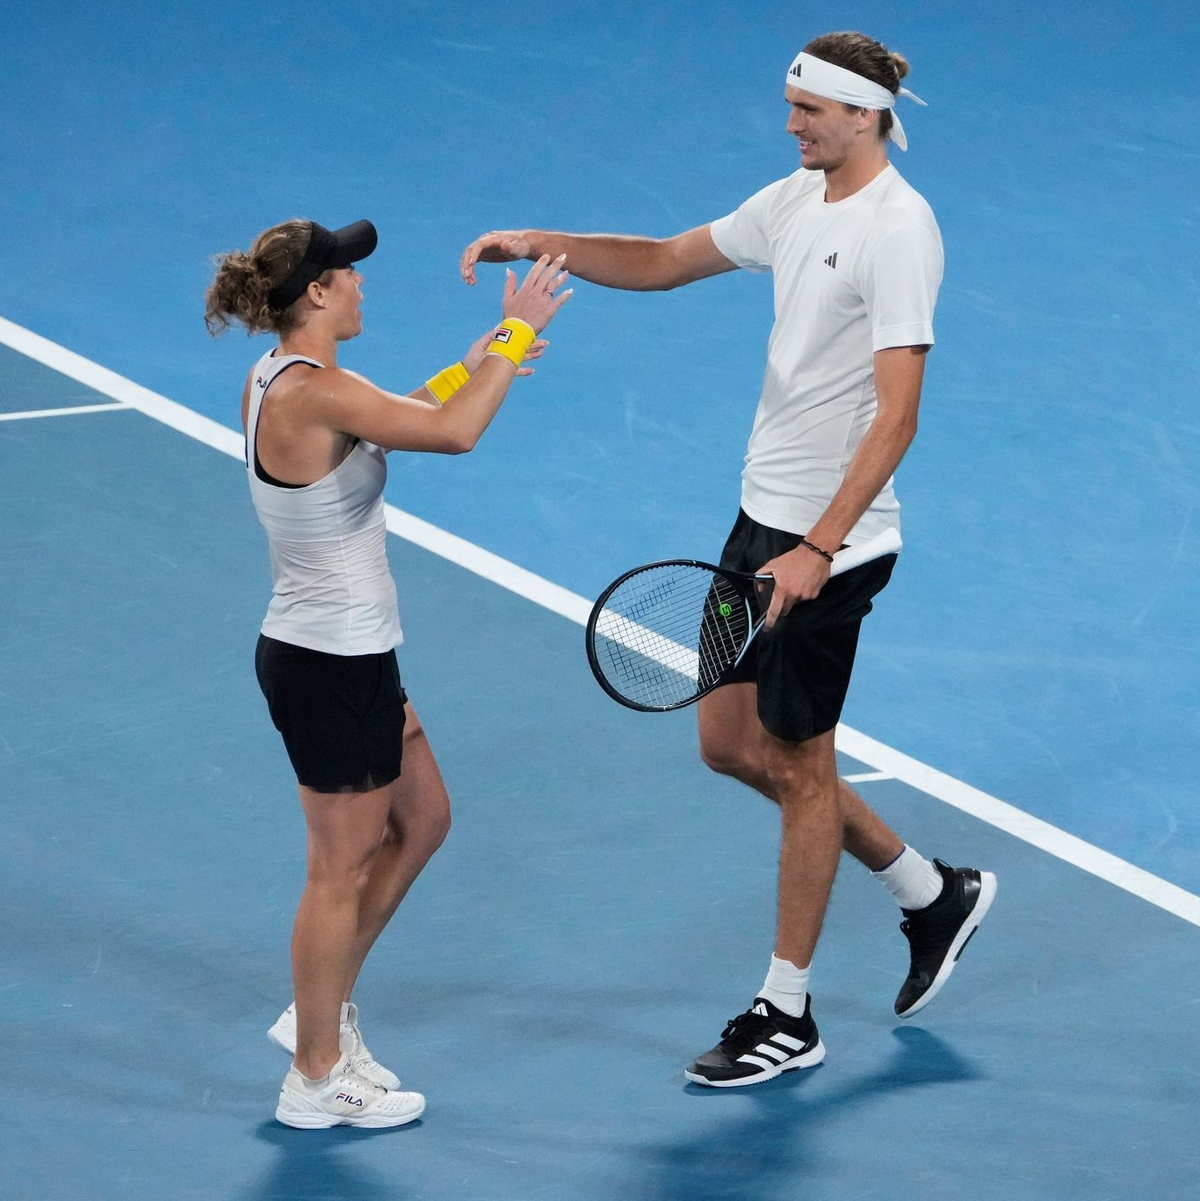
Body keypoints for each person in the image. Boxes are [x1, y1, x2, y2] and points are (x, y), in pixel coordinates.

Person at [461, 31, 995, 1088]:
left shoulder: (899, 230)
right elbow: (664, 259)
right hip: (759, 523)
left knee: (800, 764)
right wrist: (538, 240)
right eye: (790, 105)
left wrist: (819, 547)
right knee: (726, 744)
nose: (791, 123)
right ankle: (931, 892)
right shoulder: (799, 199)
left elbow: (898, 417)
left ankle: (787, 1010)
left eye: (808, 110)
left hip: (827, 548)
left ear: (863, 114)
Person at [205, 217, 570, 1125]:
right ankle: (315, 1076)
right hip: (328, 663)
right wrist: (516, 330)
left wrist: (474, 364)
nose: (363, 283)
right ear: (317, 294)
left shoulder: (290, 379)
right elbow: (451, 435)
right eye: (348, 273)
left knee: (426, 817)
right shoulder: (313, 391)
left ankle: (315, 1013)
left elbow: (387, 427)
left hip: (350, 655)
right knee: (338, 869)